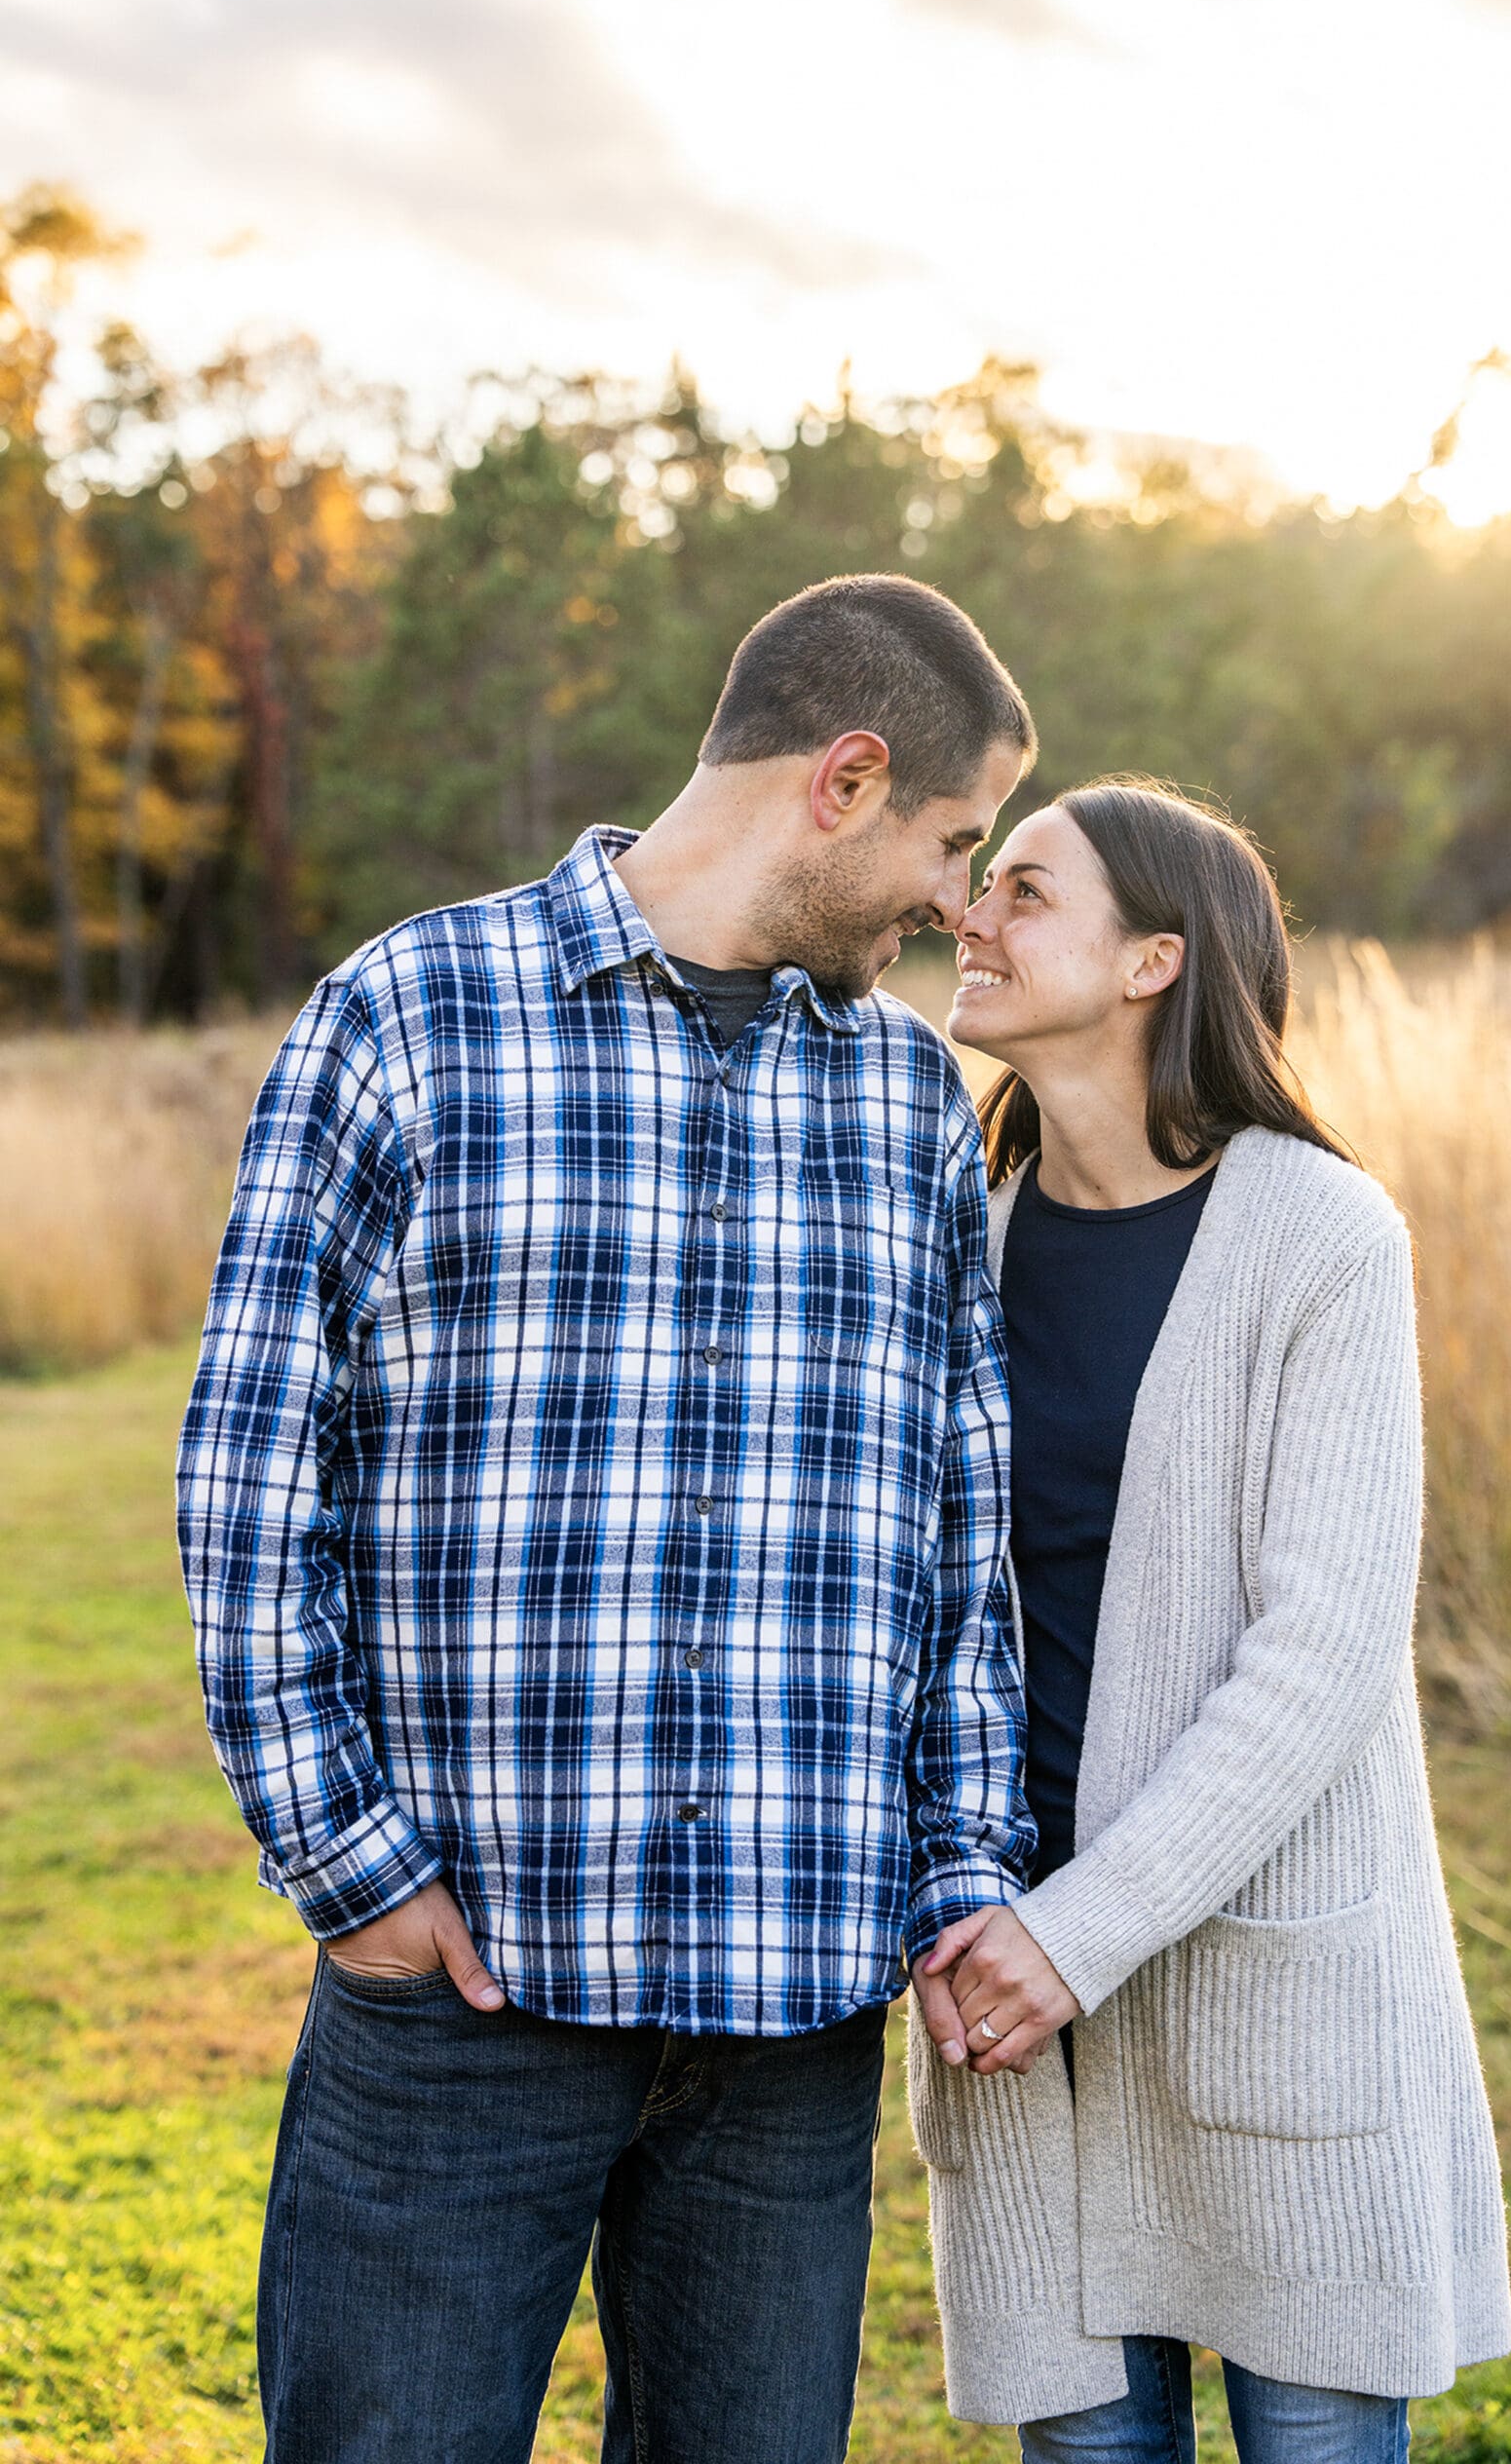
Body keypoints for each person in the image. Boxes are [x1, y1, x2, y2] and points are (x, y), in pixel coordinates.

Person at [176, 574, 1039, 2464]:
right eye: (952, 843)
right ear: (847, 775)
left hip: (789, 2025)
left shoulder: (906, 1102)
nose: (960, 908)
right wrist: (359, 1875)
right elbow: (248, 1481)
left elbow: (959, 1529)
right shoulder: (409, 1018)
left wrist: (964, 1859)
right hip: (464, 1998)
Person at [910, 779, 1511, 2460]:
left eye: (1025, 889)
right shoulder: (953, 1243)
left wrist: (1075, 1933)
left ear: (1150, 962)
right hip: (1016, 2010)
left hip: (1257, 1988)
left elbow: (1319, 1657)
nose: (972, 911)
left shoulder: (1319, 1236)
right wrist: (978, 1917)